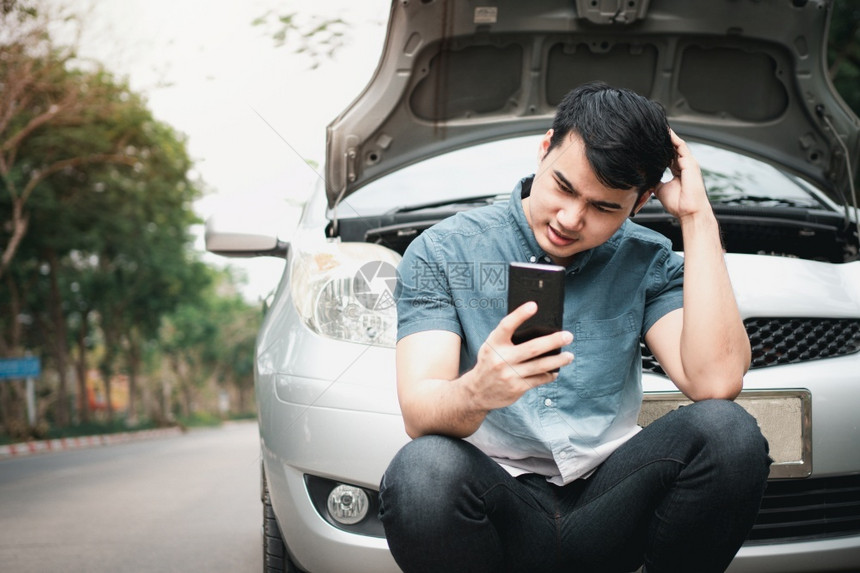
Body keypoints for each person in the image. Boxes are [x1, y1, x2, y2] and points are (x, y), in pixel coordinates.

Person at [379, 82, 771, 573]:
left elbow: (715, 382)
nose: (570, 219)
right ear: (545, 149)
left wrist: (696, 215)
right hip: (496, 503)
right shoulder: (443, 251)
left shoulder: (646, 259)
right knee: (422, 472)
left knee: (728, 432)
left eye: (604, 207)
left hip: (610, 502)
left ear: (641, 200)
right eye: (564, 187)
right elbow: (420, 411)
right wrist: (478, 390)